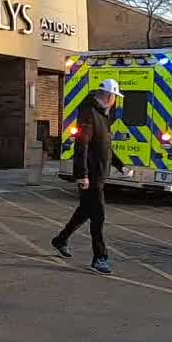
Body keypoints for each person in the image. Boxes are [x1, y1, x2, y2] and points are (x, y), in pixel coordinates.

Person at [52, 79, 131, 274]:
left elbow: (105, 147)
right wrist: (82, 175)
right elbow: (82, 145)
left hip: (98, 174)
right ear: (108, 96)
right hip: (91, 176)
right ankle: (100, 257)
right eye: (115, 98)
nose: (115, 102)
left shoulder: (102, 115)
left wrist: (120, 166)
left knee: (84, 211)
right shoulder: (89, 114)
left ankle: (60, 239)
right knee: (99, 216)